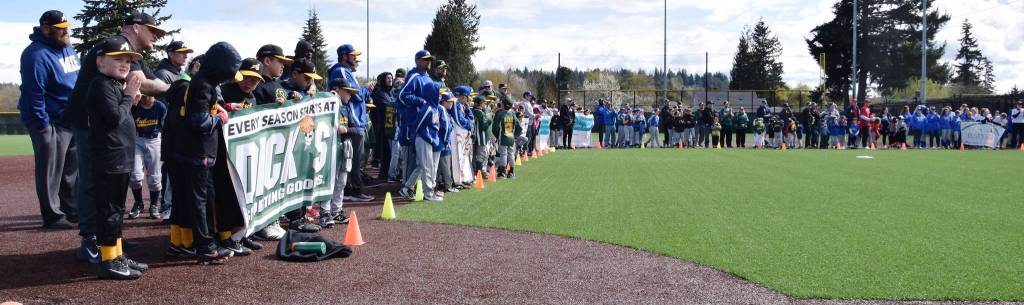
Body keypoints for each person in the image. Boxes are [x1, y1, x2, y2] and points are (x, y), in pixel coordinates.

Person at [64, 11, 168, 264]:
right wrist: (181, 89)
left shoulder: (129, 52)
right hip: (91, 124)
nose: (155, 36)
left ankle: (111, 236)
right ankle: (91, 240)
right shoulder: (114, 47)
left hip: (105, 123)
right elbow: (144, 84)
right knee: (93, 182)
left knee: (111, 185)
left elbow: (150, 79)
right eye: (152, 30)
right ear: (135, 27)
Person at [166, 42, 241, 265]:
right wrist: (219, 118)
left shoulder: (204, 83)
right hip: (196, 153)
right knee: (199, 202)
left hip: (200, 153)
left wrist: (217, 109)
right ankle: (205, 248)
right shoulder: (202, 85)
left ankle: (206, 244)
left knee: (206, 200)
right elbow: (197, 122)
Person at [86, 37, 150, 279]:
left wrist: (127, 97)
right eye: (118, 59)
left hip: (120, 156)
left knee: (117, 209)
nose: (124, 64)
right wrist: (129, 95)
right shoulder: (101, 84)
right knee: (109, 210)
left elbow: (119, 116)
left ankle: (117, 254)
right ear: (100, 61)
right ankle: (108, 261)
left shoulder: (113, 84)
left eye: (127, 60)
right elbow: (114, 118)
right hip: (109, 158)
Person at [19, 10, 79, 230]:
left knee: (72, 170)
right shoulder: (35, 55)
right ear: (46, 29)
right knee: (50, 171)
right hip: (50, 121)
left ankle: (72, 211)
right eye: (61, 28)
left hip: (70, 117)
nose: (66, 31)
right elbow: (33, 94)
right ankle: (52, 216)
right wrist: (43, 126)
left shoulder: (68, 48)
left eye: (67, 27)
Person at [327, 44, 374, 201]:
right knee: (352, 157)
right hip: (350, 120)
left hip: (355, 120)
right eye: (353, 55)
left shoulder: (347, 71)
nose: (355, 58)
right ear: (344, 56)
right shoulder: (340, 70)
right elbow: (356, 95)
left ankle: (351, 188)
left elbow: (359, 93)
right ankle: (354, 190)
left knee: (355, 157)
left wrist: (364, 91)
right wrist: (365, 90)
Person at [320, 78, 359, 228]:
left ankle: (336, 211)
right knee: (328, 180)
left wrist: (346, 129)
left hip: (345, 146)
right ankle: (325, 212)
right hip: (329, 147)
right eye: (347, 91)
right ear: (336, 89)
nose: (350, 95)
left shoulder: (346, 108)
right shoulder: (326, 106)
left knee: (341, 181)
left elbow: (357, 130)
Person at [126, 94, 165, 220]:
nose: (145, 97)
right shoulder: (135, 106)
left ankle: (154, 205)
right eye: (143, 93)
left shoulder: (160, 106)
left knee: (155, 177)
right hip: (137, 139)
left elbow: (165, 126)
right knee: (135, 176)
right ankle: (138, 203)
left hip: (154, 140)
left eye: (148, 93)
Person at [492, 98, 521, 178]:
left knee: (503, 154)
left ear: (504, 105)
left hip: (503, 137)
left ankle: (502, 172)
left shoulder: (500, 113)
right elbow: (519, 127)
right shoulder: (512, 113)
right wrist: (515, 136)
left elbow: (495, 127)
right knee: (511, 154)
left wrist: (498, 135)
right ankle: (511, 171)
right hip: (511, 137)